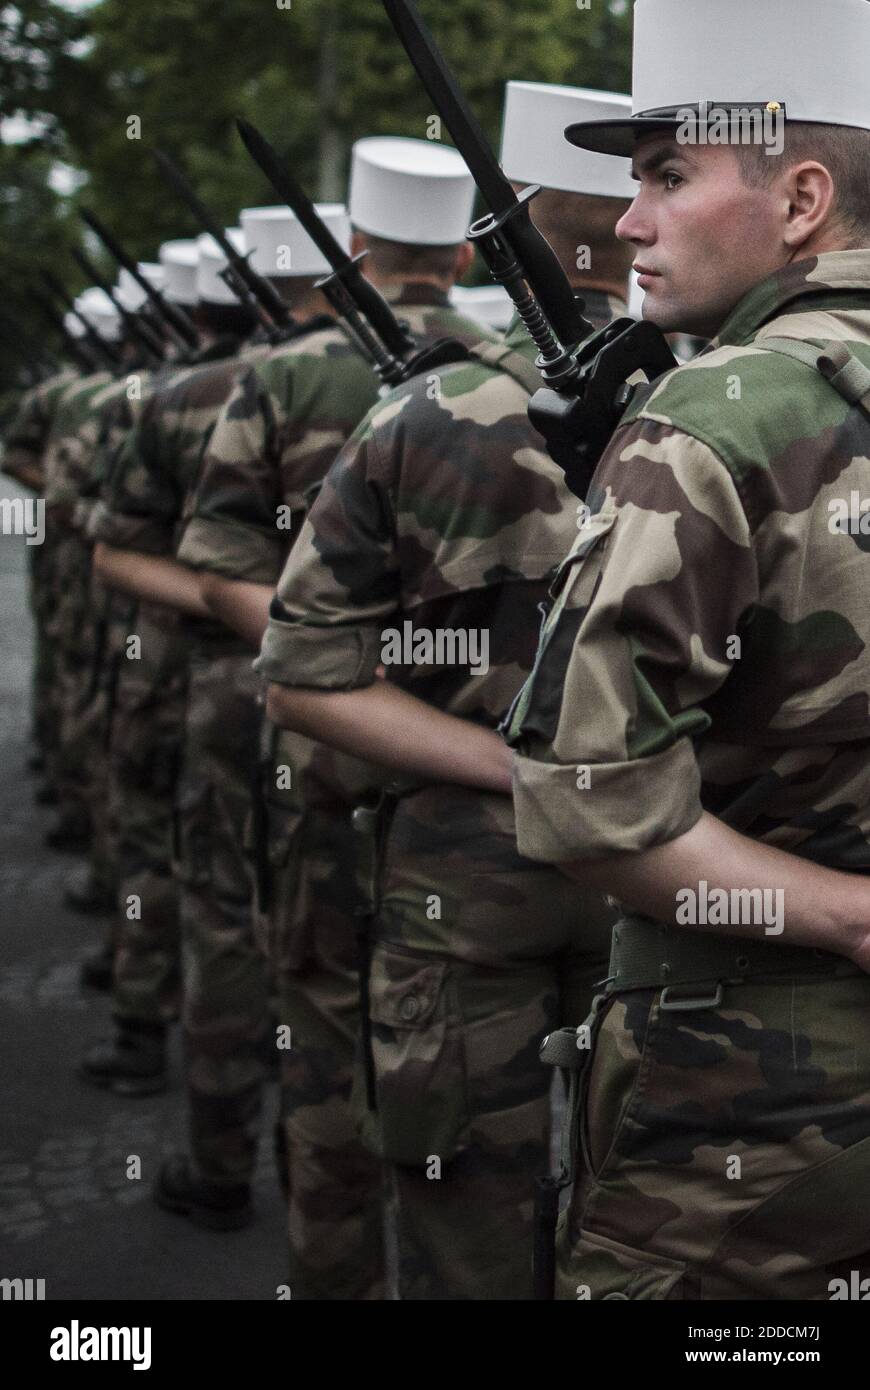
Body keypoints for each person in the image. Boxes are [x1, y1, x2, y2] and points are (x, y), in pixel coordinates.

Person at [414, 0, 870, 1300]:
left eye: (667, 176)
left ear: (797, 200)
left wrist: (847, 918)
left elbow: (585, 799)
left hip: (741, 1092)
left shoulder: (715, 415)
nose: (625, 221)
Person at [260, 84, 635, 1299]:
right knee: (654, 1234)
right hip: (685, 886)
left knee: (469, 1229)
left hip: (467, 886)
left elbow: (305, 673)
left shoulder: (429, 410)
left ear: (501, 233)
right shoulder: (748, 399)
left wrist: (517, 770)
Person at [178, 136, 494, 1294]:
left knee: (321, 1031)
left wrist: (333, 648)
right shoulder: (522, 367)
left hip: (319, 756)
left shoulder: (287, 373)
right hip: (464, 773)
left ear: (350, 250)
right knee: (465, 1071)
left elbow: (213, 570)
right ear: (465, 250)